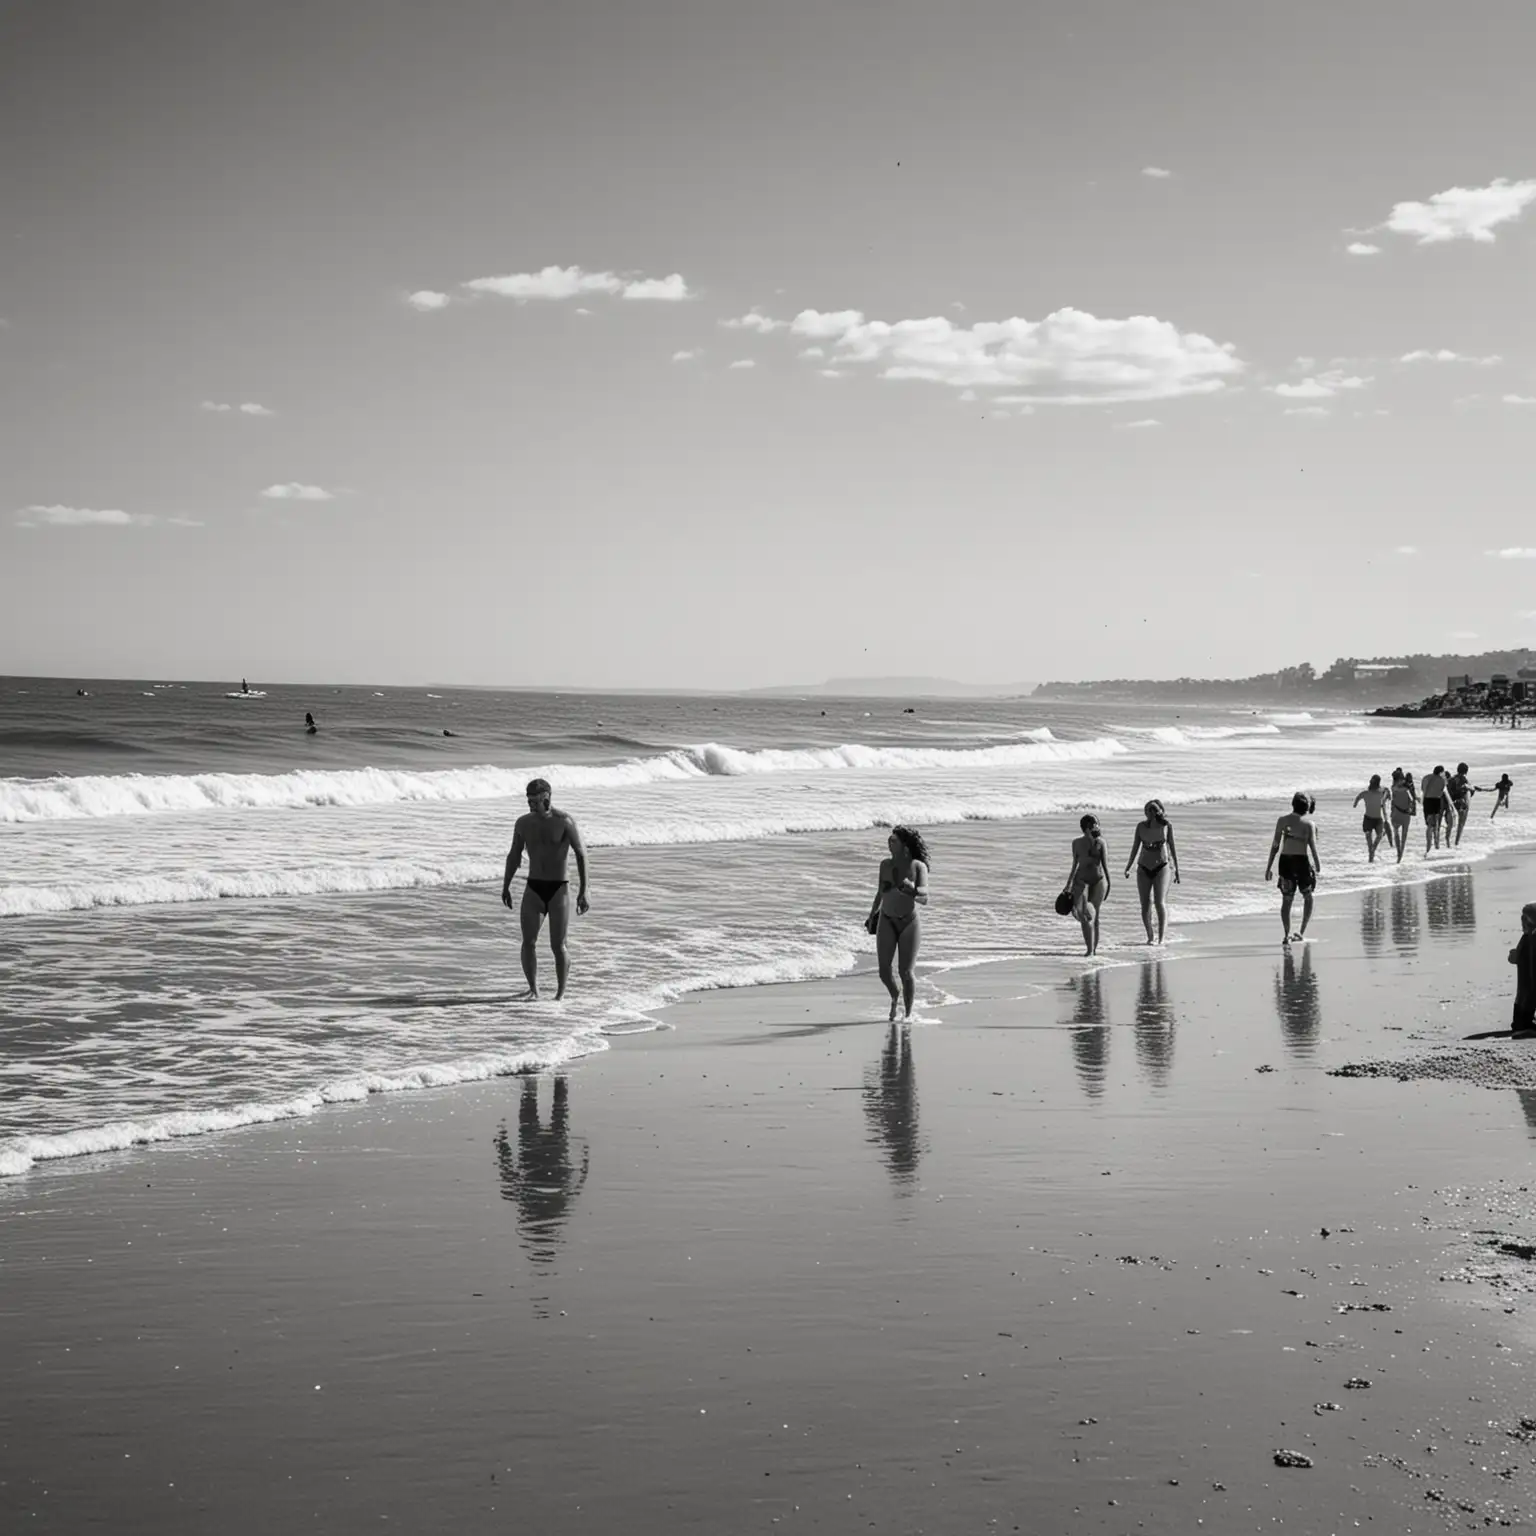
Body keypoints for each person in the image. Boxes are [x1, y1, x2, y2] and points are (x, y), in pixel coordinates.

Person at [501, 778, 590, 1000]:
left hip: (559, 889)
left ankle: (560, 995)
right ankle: (534, 989)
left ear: (547, 798)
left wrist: (584, 890)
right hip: (534, 888)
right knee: (528, 941)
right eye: (528, 800)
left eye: (535, 801)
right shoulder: (522, 823)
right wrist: (506, 886)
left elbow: (581, 854)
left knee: (557, 945)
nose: (530, 804)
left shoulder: (565, 821)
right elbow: (514, 856)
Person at [865, 825, 930, 1021]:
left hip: (909, 922)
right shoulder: (884, 865)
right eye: (889, 840)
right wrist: (871, 915)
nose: (889, 843)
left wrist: (912, 891)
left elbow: (925, 897)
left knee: (906, 971)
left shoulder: (918, 866)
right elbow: (879, 893)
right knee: (884, 971)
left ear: (905, 846)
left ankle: (908, 1015)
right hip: (886, 919)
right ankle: (895, 996)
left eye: (894, 840)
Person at [1265, 792, 1321, 945]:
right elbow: (1313, 847)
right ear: (1306, 808)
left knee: (1287, 899)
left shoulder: (1282, 821)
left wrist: (1268, 867)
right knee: (1308, 896)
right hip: (1301, 862)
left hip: (1285, 862)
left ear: (1292, 804)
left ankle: (1286, 934)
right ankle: (1301, 931)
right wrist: (1318, 864)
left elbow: (1275, 845)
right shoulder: (1309, 825)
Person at [1123, 799, 1180, 944]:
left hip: (1162, 866)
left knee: (1159, 902)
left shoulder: (1166, 826)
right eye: (1146, 810)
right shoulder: (1141, 827)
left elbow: (1172, 849)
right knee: (1145, 903)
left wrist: (1177, 870)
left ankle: (1161, 938)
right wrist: (1128, 866)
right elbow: (1135, 847)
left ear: (1157, 811)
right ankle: (1150, 936)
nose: (1148, 813)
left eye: (1151, 810)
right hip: (1143, 866)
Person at [1064, 813, 1111, 958]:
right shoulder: (1076, 843)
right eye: (1094, 824)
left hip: (1098, 881)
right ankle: (1089, 950)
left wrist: (1109, 883)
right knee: (1084, 915)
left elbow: (1105, 865)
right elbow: (1074, 865)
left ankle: (1093, 951)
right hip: (1081, 880)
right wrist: (1068, 884)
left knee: (1095, 916)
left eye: (1097, 823)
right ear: (1086, 827)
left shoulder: (1101, 842)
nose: (1097, 826)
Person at [1509, 903, 1536, 1036]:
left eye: (1526, 919)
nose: (1522, 922)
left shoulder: (1531, 938)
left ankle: (1523, 1024)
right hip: (1526, 979)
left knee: (1526, 998)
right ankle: (1522, 1024)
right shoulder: (1527, 938)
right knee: (1524, 999)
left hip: (1530, 978)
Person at [1353, 774, 1389, 862]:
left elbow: (1358, 796)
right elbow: (1359, 796)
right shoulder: (1372, 793)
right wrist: (1355, 803)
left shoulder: (1378, 793)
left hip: (1376, 820)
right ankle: (1371, 859)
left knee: (1378, 836)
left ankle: (1371, 854)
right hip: (1369, 819)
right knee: (1372, 842)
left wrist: (1355, 804)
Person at [1421, 764, 1451, 854]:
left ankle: (1428, 846)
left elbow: (1423, 789)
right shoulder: (1442, 780)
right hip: (1436, 801)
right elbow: (1442, 791)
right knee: (1436, 823)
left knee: (1429, 824)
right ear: (1441, 772)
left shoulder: (1426, 777)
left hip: (1427, 801)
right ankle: (1437, 845)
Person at [1388, 768, 1416, 864]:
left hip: (1396, 813)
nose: (1403, 780)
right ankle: (1400, 855)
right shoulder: (1404, 789)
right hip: (1405, 814)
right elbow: (1412, 799)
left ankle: (1399, 853)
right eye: (1402, 779)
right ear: (1399, 780)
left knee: (1396, 833)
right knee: (1403, 836)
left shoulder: (1393, 788)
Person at [1446, 763, 1475, 847]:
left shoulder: (1452, 778)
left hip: (1451, 802)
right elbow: (1471, 790)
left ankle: (1448, 841)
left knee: (1450, 824)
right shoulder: (1463, 779)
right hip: (1460, 803)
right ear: (1466, 771)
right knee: (1461, 822)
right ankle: (1456, 842)